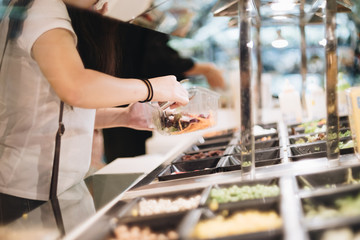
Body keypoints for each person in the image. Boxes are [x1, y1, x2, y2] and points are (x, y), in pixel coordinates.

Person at [0, 0, 189, 224]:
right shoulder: (42, 7)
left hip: (45, 187)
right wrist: (151, 88)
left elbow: (49, 112)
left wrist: (123, 116)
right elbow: (76, 87)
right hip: (32, 192)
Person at [99, 25, 226, 162]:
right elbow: (160, 60)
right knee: (129, 159)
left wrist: (125, 116)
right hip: (127, 105)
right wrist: (150, 89)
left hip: (128, 109)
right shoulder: (143, 23)